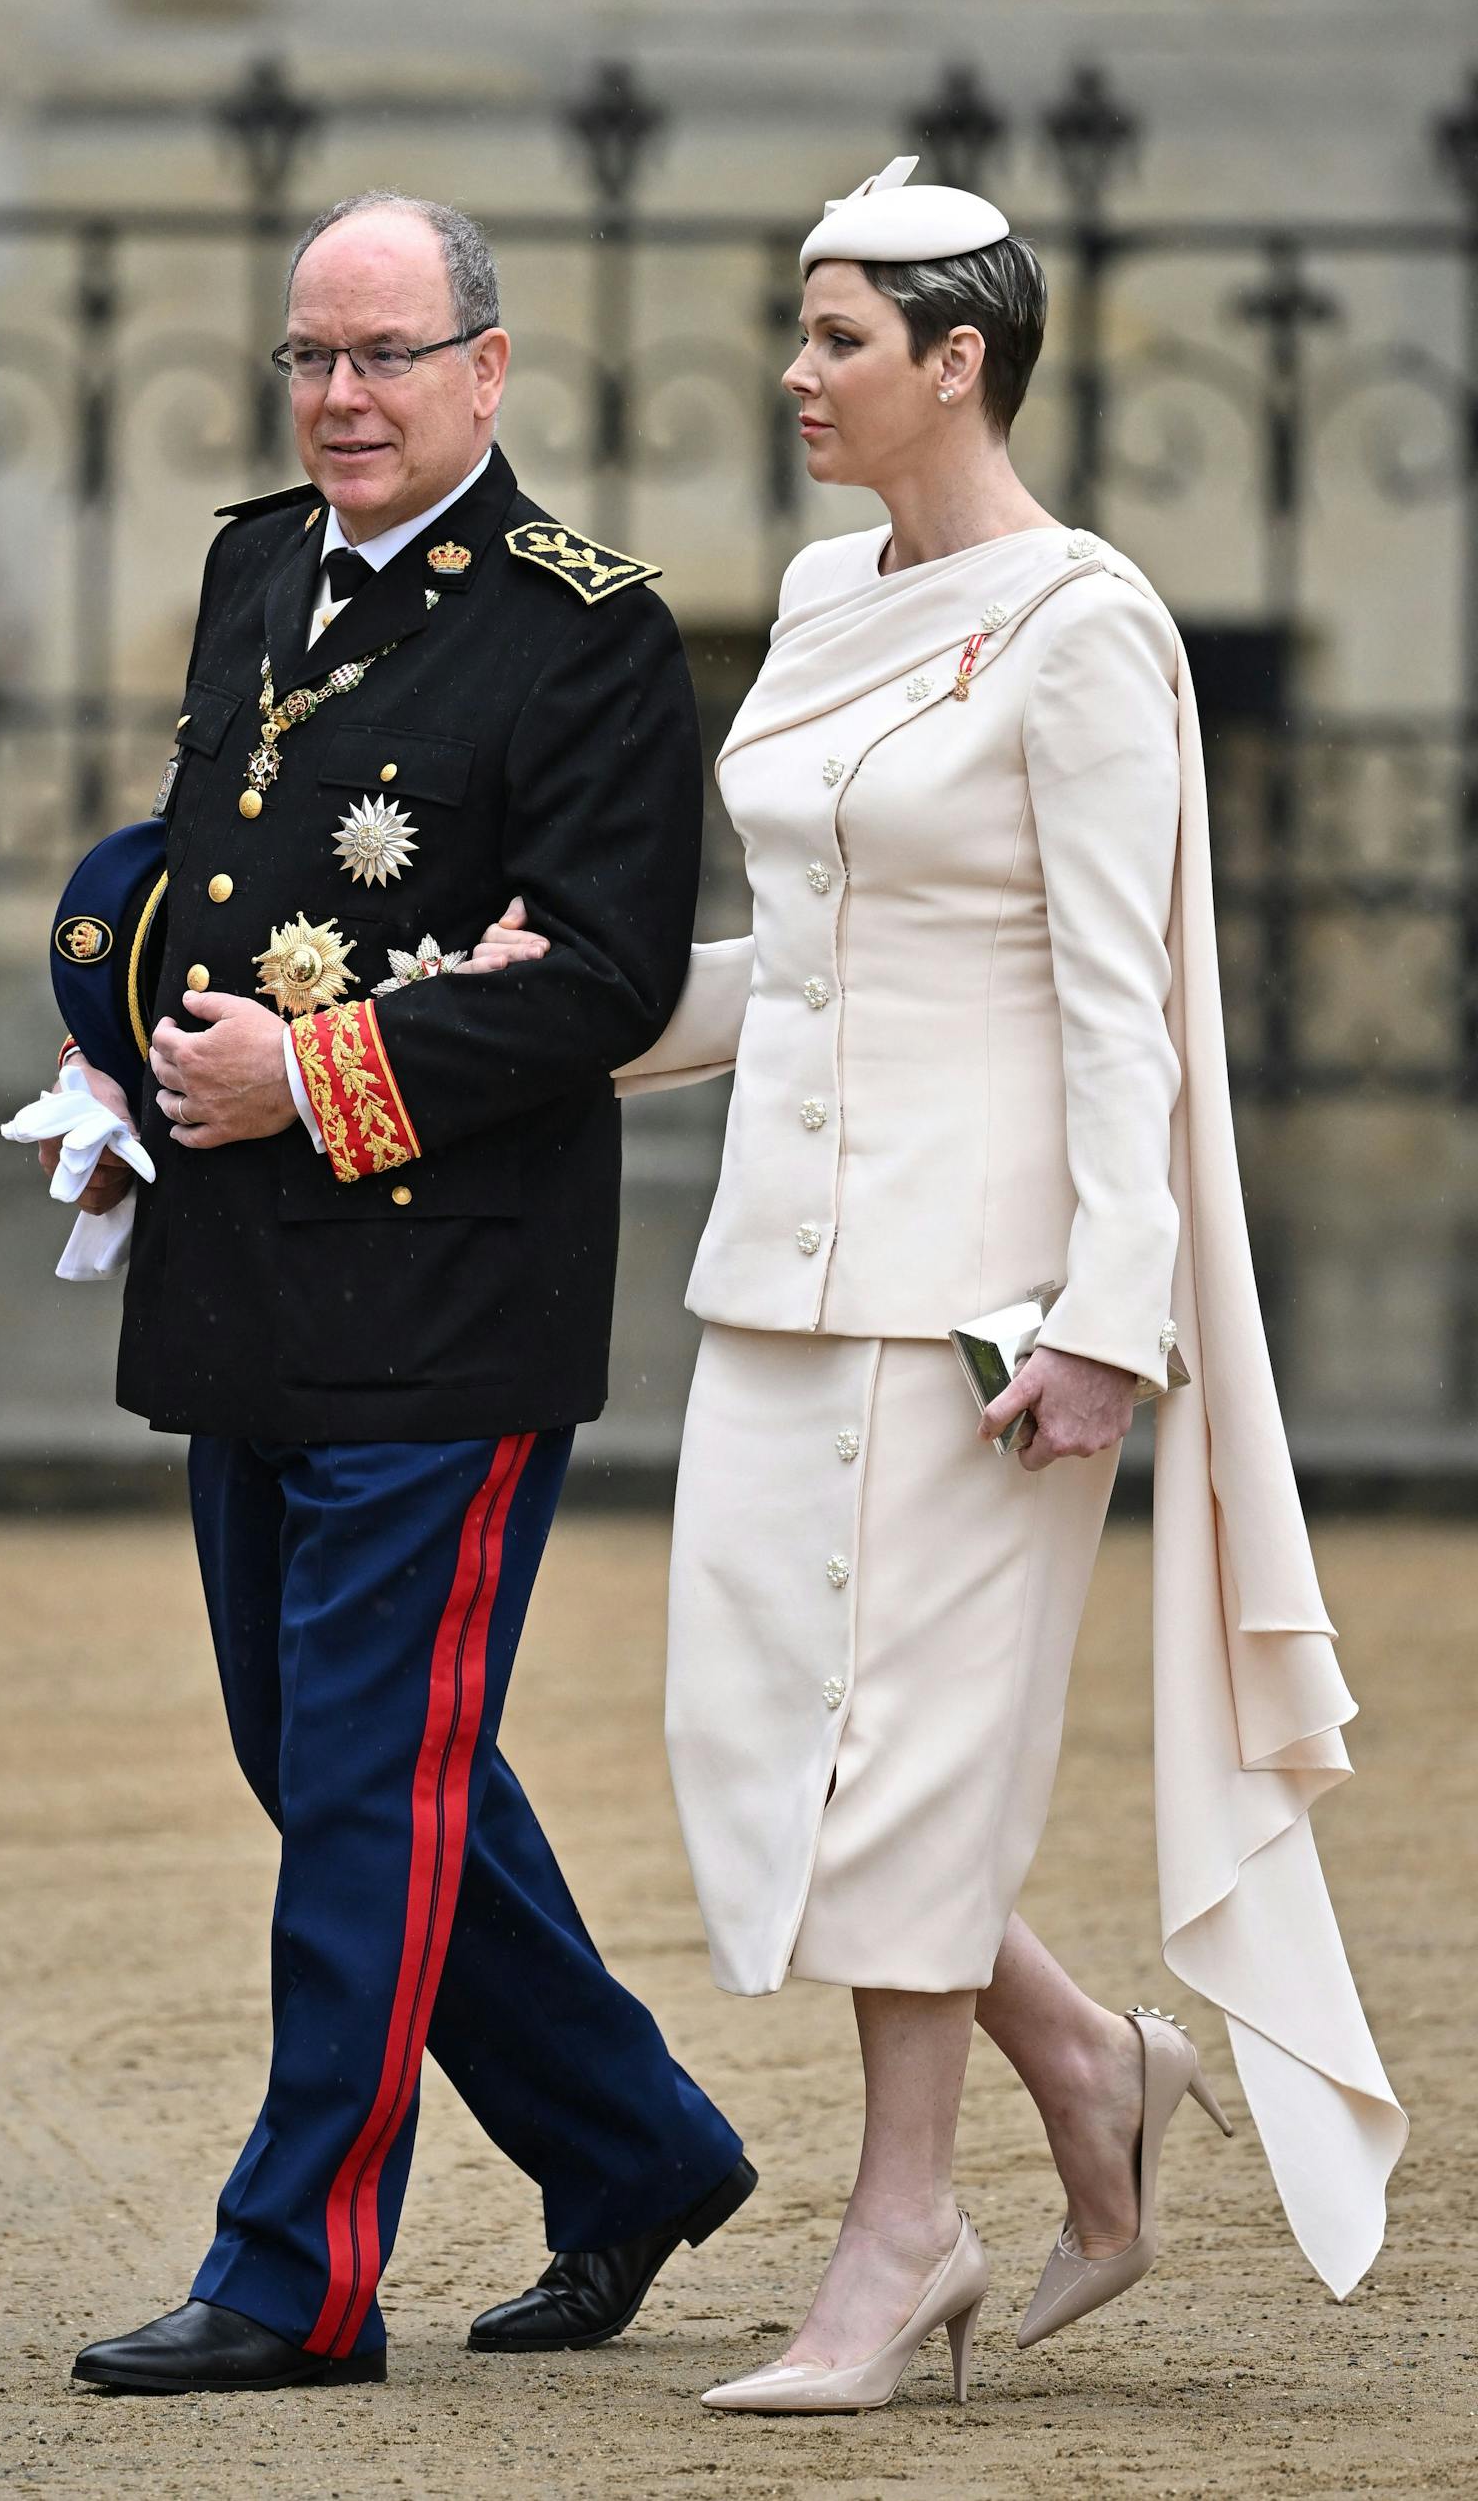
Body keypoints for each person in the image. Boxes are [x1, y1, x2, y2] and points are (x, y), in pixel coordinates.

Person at [602, 159, 1406, 2413]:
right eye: (800, 328)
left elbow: (1116, 997)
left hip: (987, 1295)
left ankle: (903, 2233)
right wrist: (546, 1010)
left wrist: (1103, 1318)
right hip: (782, 1262)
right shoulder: (822, 595)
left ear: (958, 360)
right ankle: (1086, 2060)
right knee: (772, 1746)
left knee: (903, 1772)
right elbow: (812, 957)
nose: (796, 371)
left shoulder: (1086, 627)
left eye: (837, 336)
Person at [41, 189, 754, 2397]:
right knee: (335, 1755)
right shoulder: (258, 556)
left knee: (366, 1775)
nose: (341, 398)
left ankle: (295, 2272)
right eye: (311, 357)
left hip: (450, 1304)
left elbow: (614, 979)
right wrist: (126, 1016)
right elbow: (216, 859)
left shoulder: (591, 631)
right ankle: (632, 2150)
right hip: (246, 1270)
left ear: (487, 368)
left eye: (384, 357)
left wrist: (314, 1071)